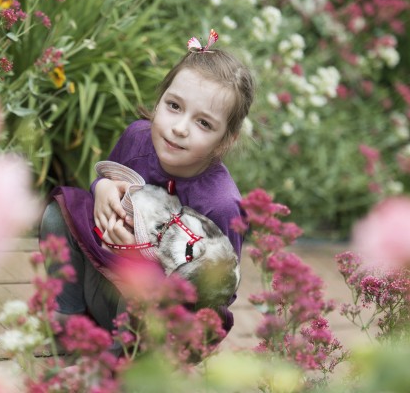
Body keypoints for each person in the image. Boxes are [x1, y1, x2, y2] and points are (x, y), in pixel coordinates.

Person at [40, 30, 255, 343]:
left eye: (203, 123)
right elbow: (104, 187)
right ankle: (68, 318)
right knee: (57, 215)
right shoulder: (138, 137)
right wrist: (101, 189)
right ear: (160, 98)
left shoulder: (220, 204)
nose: (179, 128)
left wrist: (142, 261)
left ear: (225, 140)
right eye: (174, 106)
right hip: (103, 277)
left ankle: (120, 365)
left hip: (155, 322)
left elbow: (216, 291)